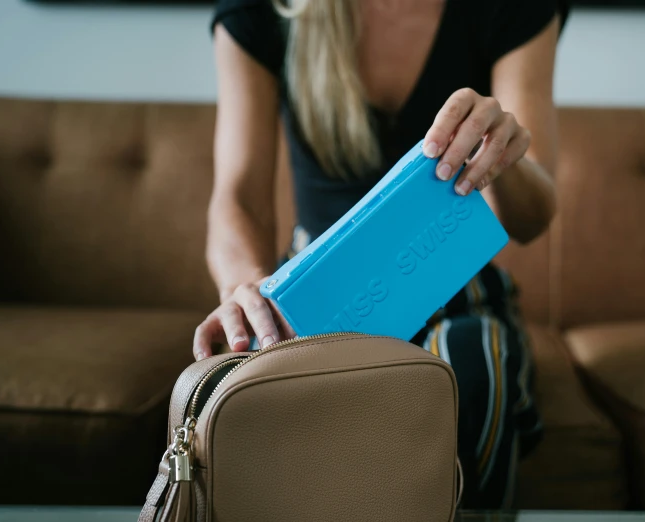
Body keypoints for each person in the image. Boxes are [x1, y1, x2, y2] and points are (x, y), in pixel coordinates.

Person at [195, 0, 569, 509]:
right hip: (316, 296)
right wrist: (246, 289)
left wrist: (505, 153)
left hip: (456, 286)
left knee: (477, 367)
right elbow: (237, 196)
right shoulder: (258, 12)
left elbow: (534, 217)